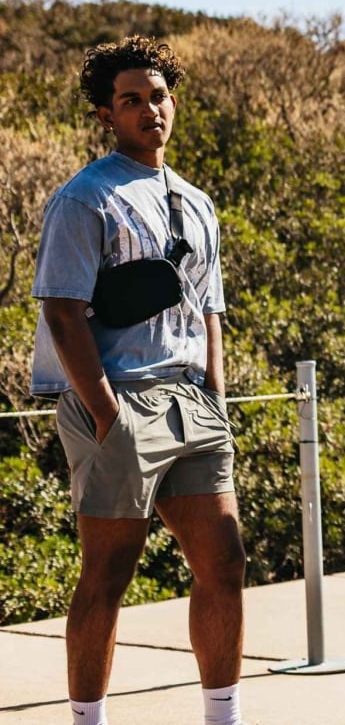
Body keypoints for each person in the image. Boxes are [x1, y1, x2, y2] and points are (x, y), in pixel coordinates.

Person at [31, 36, 244, 725]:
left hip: (194, 403)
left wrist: (215, 389)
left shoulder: (199, 201)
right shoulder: (84, 197)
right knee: (108, 573)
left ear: (172, 101)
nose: (149, 109)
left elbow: (210, 306)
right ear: (107, 113)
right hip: (120, 397)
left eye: (157, 96)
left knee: (226, 563)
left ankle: (223, 715)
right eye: (131, 100)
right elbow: (62, 312)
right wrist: (105, 411)